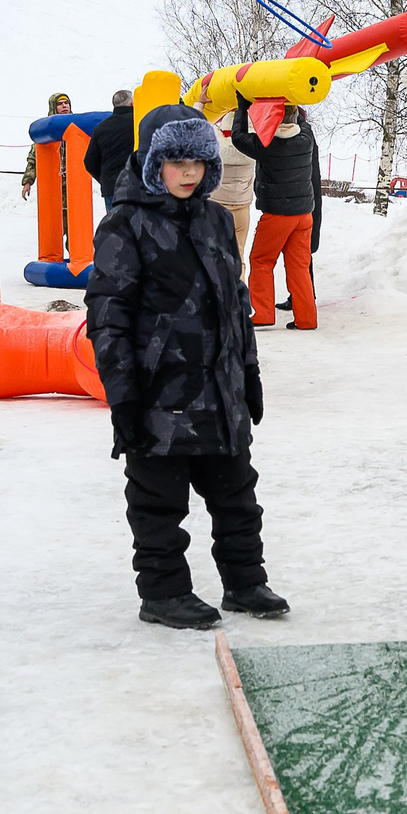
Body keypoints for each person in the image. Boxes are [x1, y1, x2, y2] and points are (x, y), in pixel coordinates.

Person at [86, 102, 287, 630]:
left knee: (238, 496)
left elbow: (234, 303)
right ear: (153, 163)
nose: (188, 172)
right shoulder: (124, 224)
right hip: (159, 394)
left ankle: (245, 583)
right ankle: (164, 593)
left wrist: (249, 374)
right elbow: (108, 316)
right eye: (176, 162)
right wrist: (123, 394)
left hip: (219, 393)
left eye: (197, 162)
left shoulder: (218, 219)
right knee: (158, 504)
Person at [232, 98, 322, 328]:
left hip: (277, 215)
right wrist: (290, 96)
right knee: (299, 266)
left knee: (261, 260)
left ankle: (262, 314)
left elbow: (238, 138)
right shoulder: (306, 139)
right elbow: (303, 121)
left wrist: (242, 109)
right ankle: (306, 319)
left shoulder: (266, 145)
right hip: (304, 215)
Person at [212, 114, 257, 273]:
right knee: (238, 256)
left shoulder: (216, 147)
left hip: (216, 207)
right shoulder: (253, 149)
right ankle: (238, 294)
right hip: (242, 208)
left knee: (214, 256)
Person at [82, 88, 136, 205]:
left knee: (115, 223)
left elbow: (89, 162)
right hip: (135, 185)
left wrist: (104, 179)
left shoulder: (100, 128)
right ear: (132, 103)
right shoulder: (138, 122)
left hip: (111, 187)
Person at [21, 92, 74, 201]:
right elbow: (33, 159)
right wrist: (27, 181)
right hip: (53, 185)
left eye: (66, 103)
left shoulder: (77, 127)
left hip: (74, 184)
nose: (64, 106)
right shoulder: (46, 130)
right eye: (60, 104)